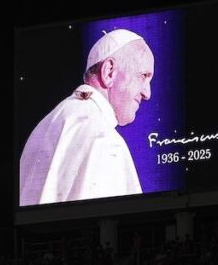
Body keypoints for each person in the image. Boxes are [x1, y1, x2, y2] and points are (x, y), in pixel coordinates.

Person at [19, 28, 155, 206]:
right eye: (143, 76)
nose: (148, 93)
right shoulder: (104, 139)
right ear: (109, 72)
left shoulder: (46, 125)